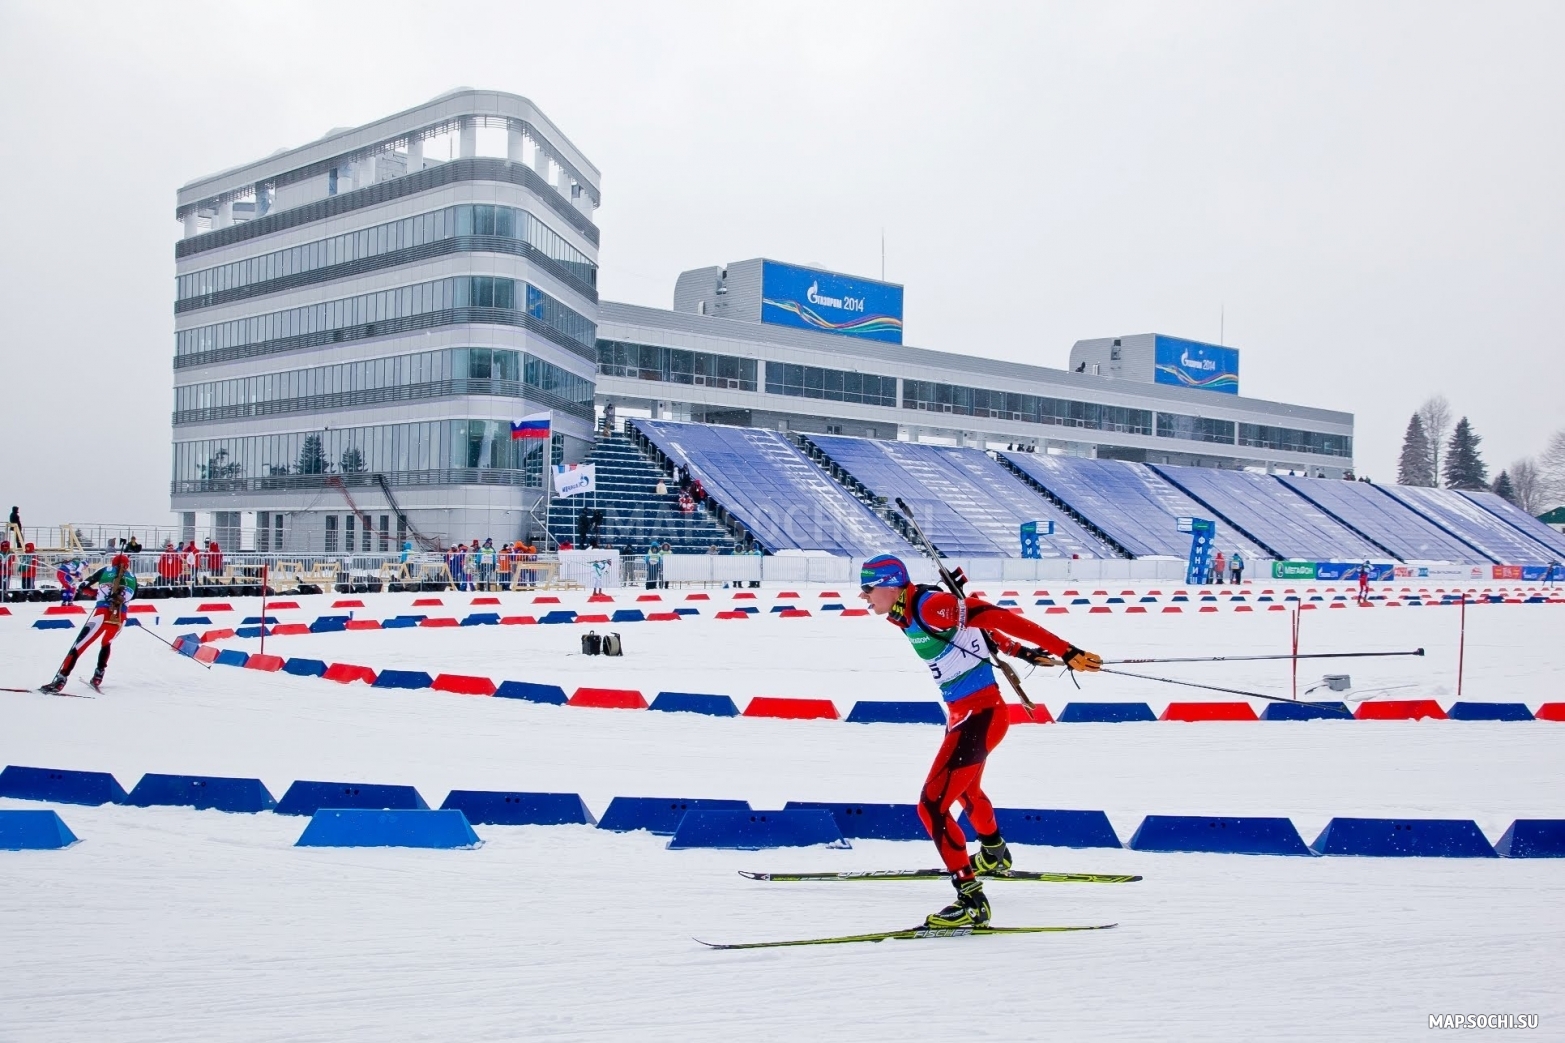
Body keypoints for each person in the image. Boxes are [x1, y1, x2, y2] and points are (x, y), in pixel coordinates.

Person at [857, 554, 1103, 929]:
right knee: (966, 791)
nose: (863, 597)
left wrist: (1066, 651)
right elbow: (977, 633)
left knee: (931, 806)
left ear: (890, 586)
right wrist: (1018, 651)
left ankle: (970, 899)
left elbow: (992, 615)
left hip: (981, 715)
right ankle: (993, 854)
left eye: (868, 589)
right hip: (962, 715)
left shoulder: (931, 606)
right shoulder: (903, 611)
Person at [41, 553, 138, 692]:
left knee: (79, 646)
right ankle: (99, 674)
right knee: (107, 643)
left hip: (102, 613)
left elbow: (83, 586)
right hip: (120, 617)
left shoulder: (105, 570)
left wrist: (96, 594)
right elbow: (134, 596)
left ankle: (61, 679)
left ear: (113, 563)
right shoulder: (133, 576)